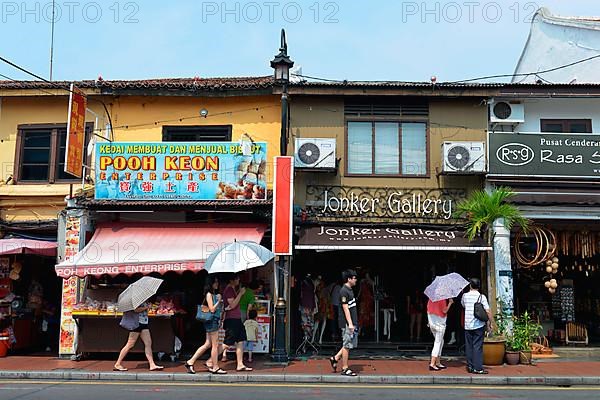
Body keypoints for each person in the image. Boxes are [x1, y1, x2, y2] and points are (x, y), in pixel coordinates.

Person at [184, 275, 226, 375]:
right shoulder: (209, 295)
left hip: (212, 321)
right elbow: (211, 309)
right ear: (211, 284)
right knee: (215, 345)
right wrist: (219, 301)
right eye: (215, 282)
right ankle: (215, 366)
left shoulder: (213, 294)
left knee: (208, 344)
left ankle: (190, 361)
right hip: (212, 322)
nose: (217, 284)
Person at [114, 302, 163, 372]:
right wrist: (146, 307)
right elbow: (135, 310)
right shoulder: (136, 300)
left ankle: (152, 364)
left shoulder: (144, 300)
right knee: (130, 344)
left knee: (148, 343)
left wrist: (149, 307)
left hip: (144, 323)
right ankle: (118, 363)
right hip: (137, 323)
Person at [461, 278, 494, 374]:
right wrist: (490, 322)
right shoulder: (481, 297)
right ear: (478, 286)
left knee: (469, 346)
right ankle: (478, 368)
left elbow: (463, 305)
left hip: (467, 325)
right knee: (477, 346)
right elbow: (487, 311)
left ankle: (470, 366)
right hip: (478, 325)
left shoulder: (465, 296)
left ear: (470, 285)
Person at [329, 269, 359, 377]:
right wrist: (350, 324)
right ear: (349, 279)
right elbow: (345, 309)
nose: (356, 280)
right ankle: (345, 368)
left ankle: (335, 358)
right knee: (347, 345)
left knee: (348, 343)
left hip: (352, 322)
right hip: (347, 323)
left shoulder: (349, 290)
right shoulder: (344, 291)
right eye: (354, 278)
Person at [222, 274, 252, 372]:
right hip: (232, 319)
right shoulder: (229, 290)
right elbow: (233, 304)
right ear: (232, 280)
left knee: (240, 340)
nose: (239, 280)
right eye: (237, 278)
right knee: (228, 342)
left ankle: (240, 364)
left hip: (237, 318)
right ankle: (211, 360)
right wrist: (240, 294)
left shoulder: (233, 289)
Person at [427, 297, 453, 371]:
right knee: (438, 343)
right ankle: (432, 363)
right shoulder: (442, 300)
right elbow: (444, 311)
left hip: (432, 324)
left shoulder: (430, 299)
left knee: (441, 341)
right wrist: (450, 303)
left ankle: (438, 362)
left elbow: (428, 310)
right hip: (440, 324)